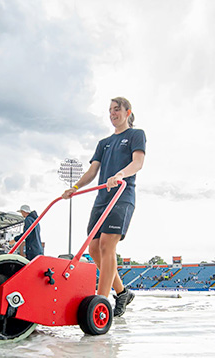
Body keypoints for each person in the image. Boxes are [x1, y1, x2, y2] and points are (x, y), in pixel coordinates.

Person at [62, 97, 146, 317]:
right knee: (93, 249)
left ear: (128, 112)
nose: (112, 114)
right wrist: (76, 186)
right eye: (110, 111)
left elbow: (137, 162)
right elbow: (92, 172)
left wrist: (120, 174)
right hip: (101, 198)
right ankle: (122, 292)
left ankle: (102, 301)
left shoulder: (136, 135)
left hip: (121, 195)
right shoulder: (103, 143)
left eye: (116, 110)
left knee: (108, 246)